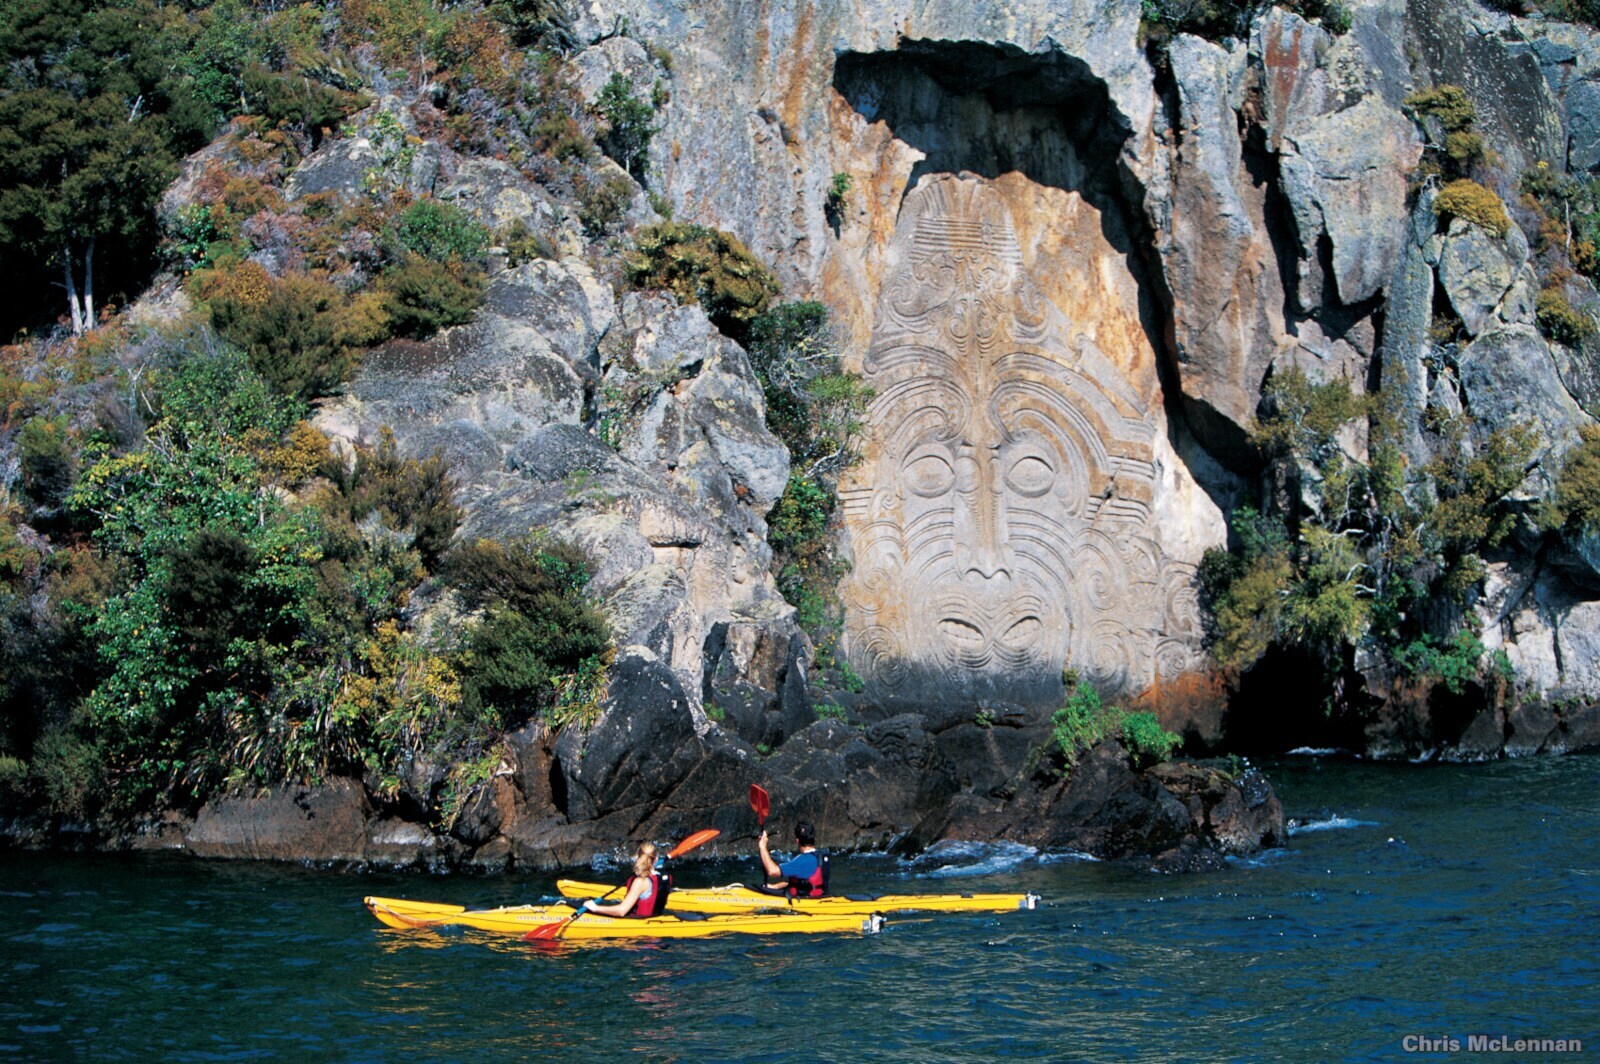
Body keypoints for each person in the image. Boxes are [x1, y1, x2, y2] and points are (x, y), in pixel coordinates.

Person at [580, 842, 672, 918]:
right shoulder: (667, 877)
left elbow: (621, 911)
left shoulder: (640, 882)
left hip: (638, 930)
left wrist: (595, 907)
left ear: (637, 857)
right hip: (655, 921)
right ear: (656, 859)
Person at [755, 821, 830, 897]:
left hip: (804, 901)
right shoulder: (820, 856)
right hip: (818, 898)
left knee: (755, 888)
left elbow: (772, 871)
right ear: (813, 838)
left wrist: (762, 846)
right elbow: (803, 882)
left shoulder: (802, 861)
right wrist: (774, 887)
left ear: (797, 841)